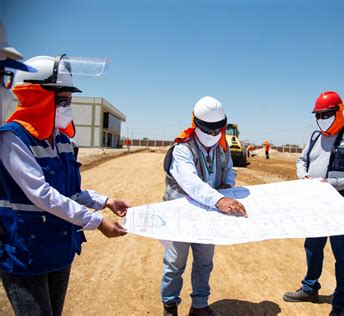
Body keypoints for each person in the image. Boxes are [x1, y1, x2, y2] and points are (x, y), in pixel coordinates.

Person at [0, 54, 130, 316]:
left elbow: (71, 193)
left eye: (69, 101)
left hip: (59, 249)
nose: (67, 108)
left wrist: (105, 201)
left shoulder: (62, 140)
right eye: (62, 101)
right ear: (37, 97)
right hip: (26, 255)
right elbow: (43, 195)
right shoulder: (13, 139)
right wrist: (96, 221)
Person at [283, 91, 344, 316]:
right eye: (319, 115)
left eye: (327, 114)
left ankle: (340, 304)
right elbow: (301, 160)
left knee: (342, 254)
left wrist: (334, 183)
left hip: (340, 207)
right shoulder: (314, 137)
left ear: (339, 112)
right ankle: (309, 288)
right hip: (315, 206)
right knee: (312, 247)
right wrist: (303, 175)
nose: (323, 119)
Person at [161, 96, 247, 316]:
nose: (213, 135)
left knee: (204, 261)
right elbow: (190, 182)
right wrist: (219, 200)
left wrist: (227, 185)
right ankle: (170, 306)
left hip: (208, 214)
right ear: (195, 124)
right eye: (208, 130)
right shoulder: (182, 149)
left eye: (217, 130)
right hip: (180, 213)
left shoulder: (222, 145)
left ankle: (199, 306)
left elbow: (229, 169)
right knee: (175, 262)